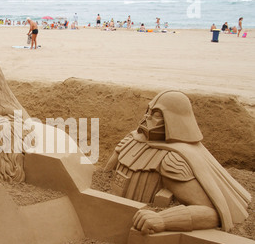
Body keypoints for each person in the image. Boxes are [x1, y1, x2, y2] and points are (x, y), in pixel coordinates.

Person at [104, 90, 250, 234]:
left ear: (172, 119)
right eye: (147, 111)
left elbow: (211, 213)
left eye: (155, 114)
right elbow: (103, 175)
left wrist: (162, 219)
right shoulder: (130, 140)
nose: (146, 118)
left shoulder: (172, 160)